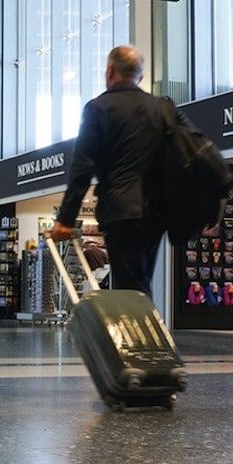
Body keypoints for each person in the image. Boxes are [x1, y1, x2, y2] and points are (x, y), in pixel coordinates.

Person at [50, 45, 167, 297]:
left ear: (110, 72)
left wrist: (66, 219)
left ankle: (136, 336)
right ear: (141, 77)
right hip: (155, 212)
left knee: (129, 289)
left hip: (120, 211)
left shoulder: (99, 108)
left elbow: (82, 167)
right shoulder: (160, 108)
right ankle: (140, 333)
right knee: (140, 283)